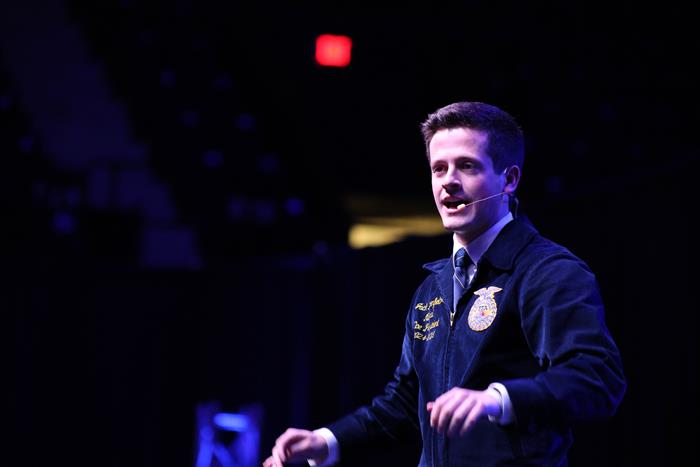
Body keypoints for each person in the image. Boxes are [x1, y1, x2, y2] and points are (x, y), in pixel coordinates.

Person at [263, 101, 626, 466]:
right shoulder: (432, 288)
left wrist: (496, 400)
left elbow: (597, 376)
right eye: (439, 168)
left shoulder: (547, 271)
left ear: (509, 179)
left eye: (467, 166)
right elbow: (405, 402)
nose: (448, 181)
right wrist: (326, 441)